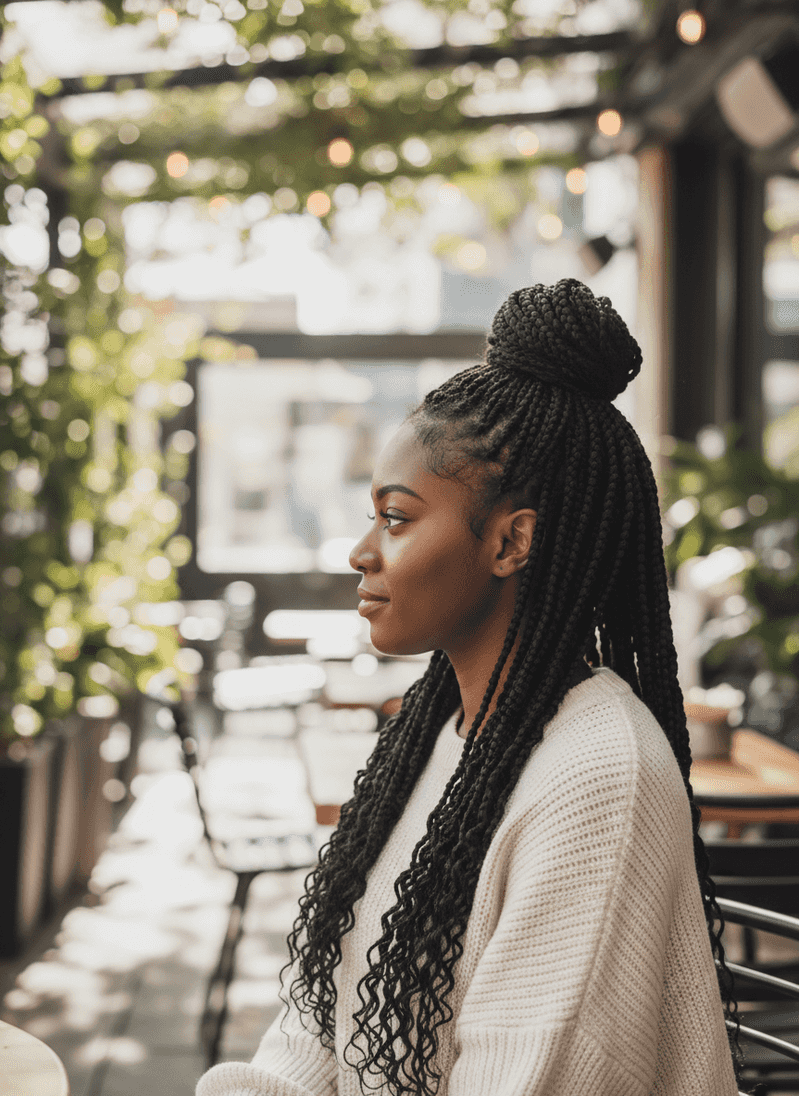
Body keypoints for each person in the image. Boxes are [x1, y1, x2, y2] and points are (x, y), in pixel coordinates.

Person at [197, 279, 741, 1096]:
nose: (361, 551)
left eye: (397, 518)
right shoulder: (439, 732)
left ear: (511, 540)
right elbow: (316, 1028)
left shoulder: (598, 780)